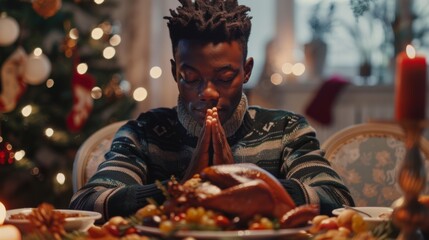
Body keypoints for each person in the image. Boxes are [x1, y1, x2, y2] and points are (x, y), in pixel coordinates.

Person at [70, 0, 354, 222]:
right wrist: (182, 189)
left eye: (224, 77)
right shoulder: (143, 133)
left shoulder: (286, 130)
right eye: (191, 78)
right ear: (175, 72)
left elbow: (337, 199)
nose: (207, 92)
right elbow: (88, 204)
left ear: (246, 71)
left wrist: (253, 186)